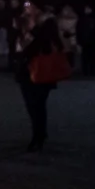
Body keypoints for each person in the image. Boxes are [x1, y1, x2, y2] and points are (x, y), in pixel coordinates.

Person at [15, 8, 64, 151]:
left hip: (36, 72)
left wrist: (30, 31)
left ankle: (38, 135)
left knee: (35, 106)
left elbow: (27, 49)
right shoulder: (40, 26)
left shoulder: (42, 29)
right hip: (35, 73)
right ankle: (40, 133)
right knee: (37, 106)